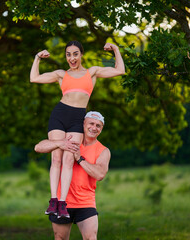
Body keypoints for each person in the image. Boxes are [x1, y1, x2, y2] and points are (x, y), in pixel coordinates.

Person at [30, 40, 124, 218]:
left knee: (68, 159)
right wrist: (37, 58)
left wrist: (116, 49)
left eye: (75, 54)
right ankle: (53, 201)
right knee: (56, 157)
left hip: (77, 118)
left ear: (81, 55)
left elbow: (120, 70)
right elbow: (34, 78)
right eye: (68, 54)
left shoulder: (92, 72)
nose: (71, 58)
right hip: (59, 114)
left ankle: (63, 203)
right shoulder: (60, 74)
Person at [34, 111, 110, 240]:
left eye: (98, 125)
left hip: (86, 203)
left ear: (101, 129)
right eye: (91, 123)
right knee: (60, 238)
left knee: (91, 238)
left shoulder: (103, 150)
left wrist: (79, 158)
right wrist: (58, 143)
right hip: (62, 202)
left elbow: (100, 174)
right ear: (83, 124)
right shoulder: (68, 140)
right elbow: (38, 147)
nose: (94, 128)